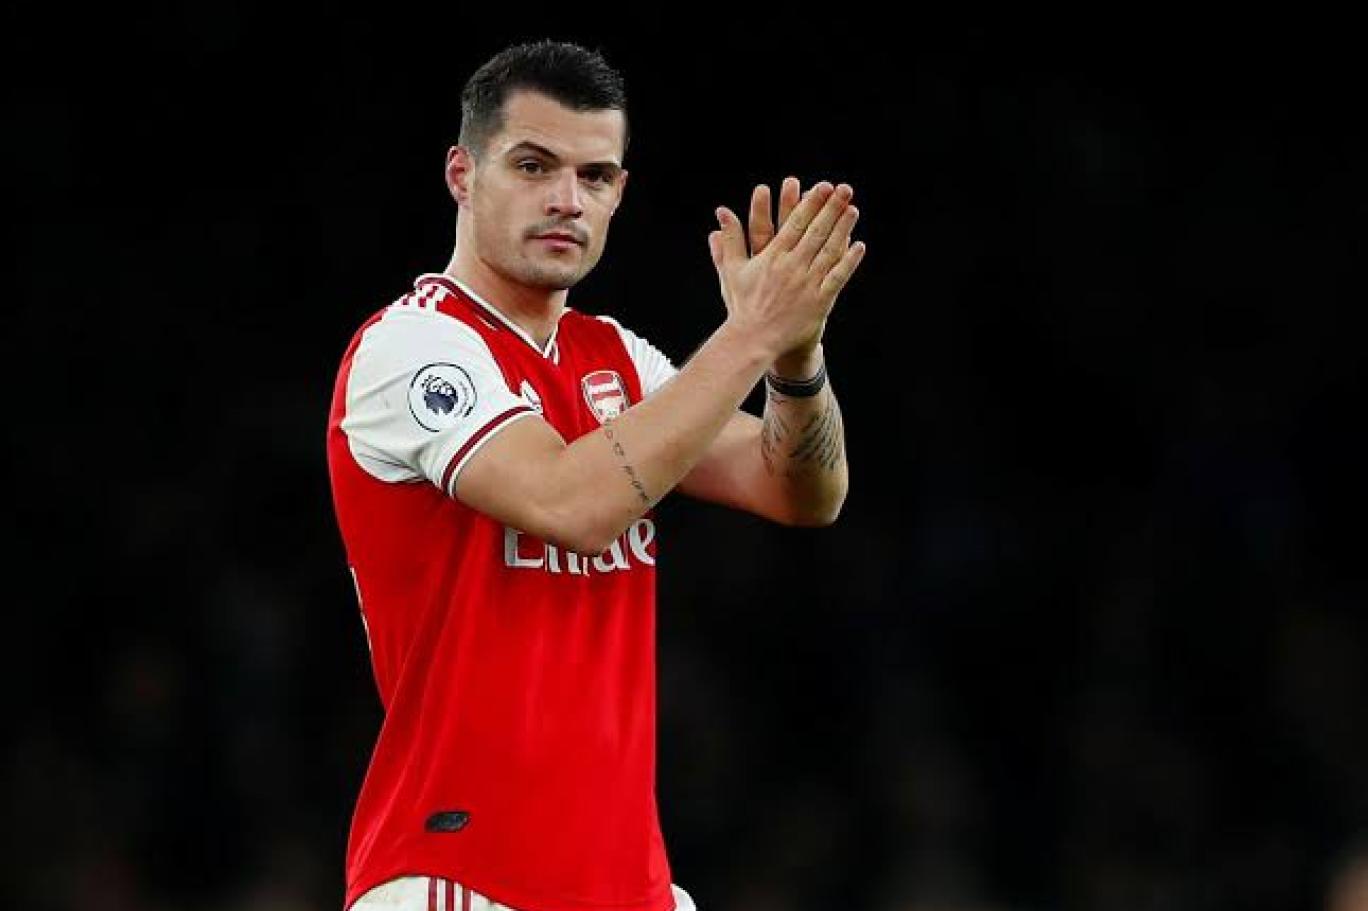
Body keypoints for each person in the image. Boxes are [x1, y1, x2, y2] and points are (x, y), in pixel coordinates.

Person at [325, 40, 865, 911]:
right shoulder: (410, 346)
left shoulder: (615, 356)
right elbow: (571, 502)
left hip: (628, 885)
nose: (567, 200)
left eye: (596, 176)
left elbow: (801, 489)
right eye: (533, 166)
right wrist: (750, 335)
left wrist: (795, 359)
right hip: (460, 874)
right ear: (462, 174)